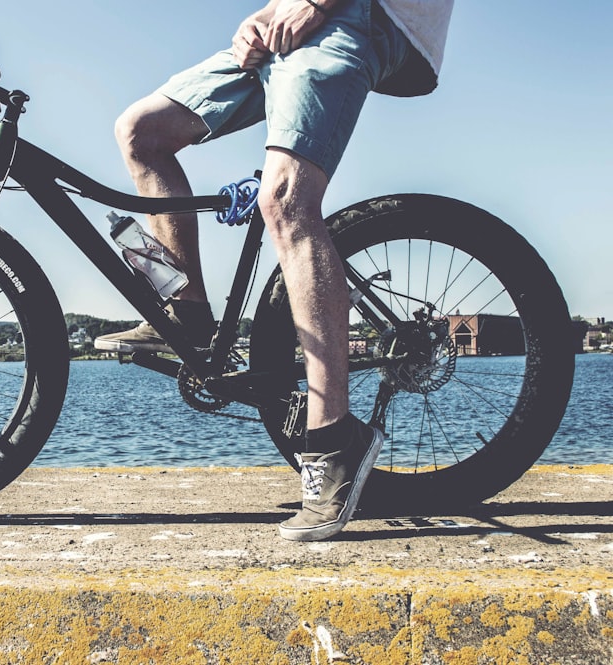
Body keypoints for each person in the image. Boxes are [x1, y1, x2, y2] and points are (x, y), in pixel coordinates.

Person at [95, 0, 454, 541]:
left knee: (285, 199)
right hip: (301, 22)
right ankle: (188, 314)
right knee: (140, 131)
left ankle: (334, 439)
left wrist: (313, 4)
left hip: (367, 15)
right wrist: (262, 16)